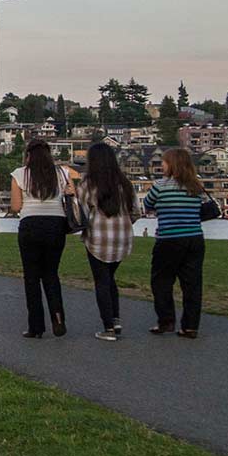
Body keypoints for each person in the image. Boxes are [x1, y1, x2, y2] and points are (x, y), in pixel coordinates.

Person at [9, 138, 77, 338]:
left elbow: (15, 206)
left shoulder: (19, 174)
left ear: (28, 155)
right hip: (56, 225)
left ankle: (36, 326)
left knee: (31, 277)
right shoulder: (62, 172)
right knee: (51, 274)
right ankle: (58, 318)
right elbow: (72, 193)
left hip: (31, 225)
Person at [142, 146, 210, 338]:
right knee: (192, 285)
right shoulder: (196, 186)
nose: (161, 165)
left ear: (171, 164)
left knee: (161, 281)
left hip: (169, 238)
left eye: (163, 161)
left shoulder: (160, 185)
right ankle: (190, 326)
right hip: (195, 238)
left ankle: (166, 321)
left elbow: (147, 205)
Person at [76, 139, 136, 341]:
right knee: (110, 278)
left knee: (101, 281)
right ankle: (116, 319)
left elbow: (81, 213)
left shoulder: (88, 184)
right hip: (122, 238)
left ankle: (108, 327)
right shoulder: (124, 183)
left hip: (98, 238)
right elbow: (136, 211)